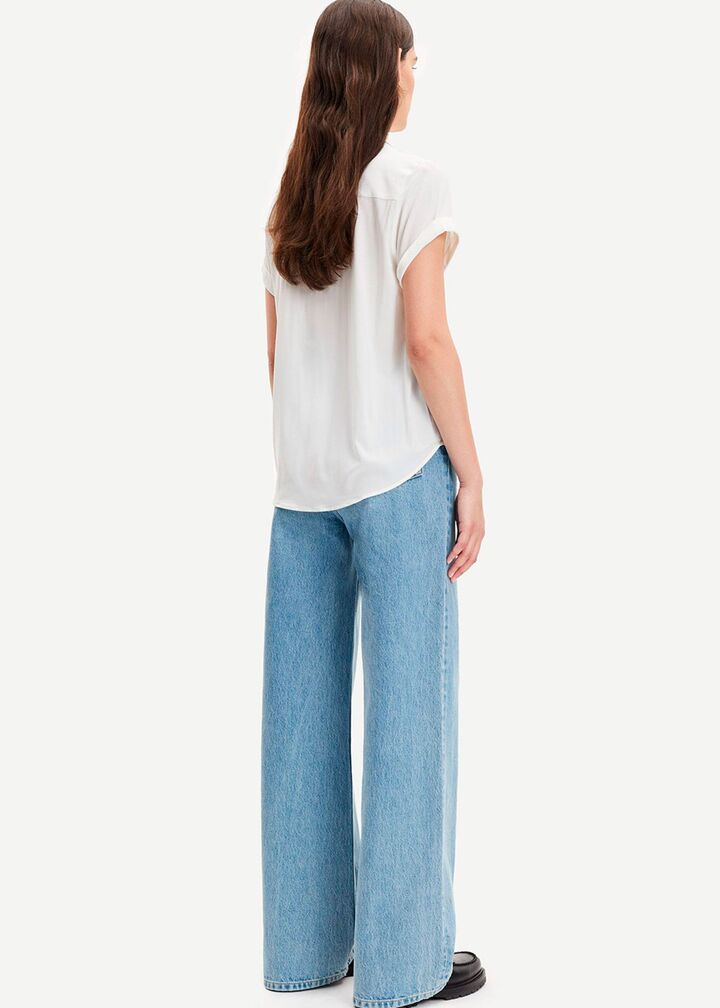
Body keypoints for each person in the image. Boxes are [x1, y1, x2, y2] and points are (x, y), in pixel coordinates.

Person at [261, 2, 486, 1005]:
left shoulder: (289, 204)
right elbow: (427, 341)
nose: (416, 73)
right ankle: (403, 966)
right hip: (396, 476)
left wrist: (313, 450)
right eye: (412, 57)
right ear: (387, 70)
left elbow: (278, 358)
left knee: (300, 720)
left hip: (302, 492)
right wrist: (470, 473)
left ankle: (308, 950)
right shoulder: (410, 181)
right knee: (410, 720)